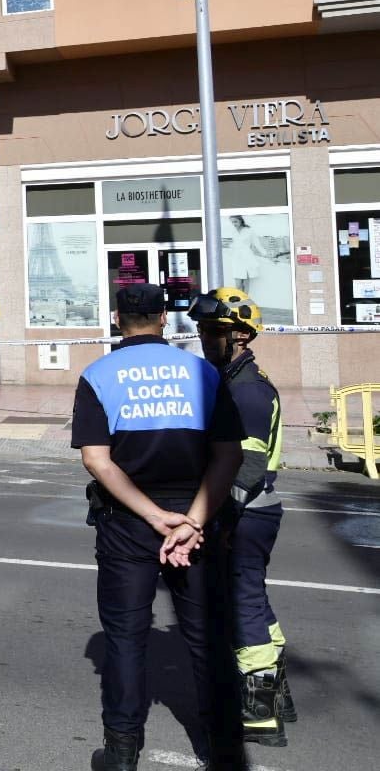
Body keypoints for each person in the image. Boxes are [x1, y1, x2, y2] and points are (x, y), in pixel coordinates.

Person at [74, 283, 244, 771]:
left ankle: (123, 751)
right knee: (207, 635)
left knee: (126, 639)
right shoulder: (203, 373)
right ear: (164, 319)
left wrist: (153, 517)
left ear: (115, 319)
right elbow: (229, 454)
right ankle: (223, 750)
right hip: (197, 520)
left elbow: (97, 461)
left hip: (128, 521)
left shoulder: (98, 374)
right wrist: (191, 521)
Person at [190, 287, 293, 749]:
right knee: (256, 602)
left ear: (241, 335)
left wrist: (222, 522)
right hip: (255, 512)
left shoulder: (247, 391)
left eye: (214, 331)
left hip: (246, 513)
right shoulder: (234, 379)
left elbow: (246, 468)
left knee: (242, 606)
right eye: (202, 330)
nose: (204, 338)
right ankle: (278, 694)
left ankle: (260, 713)